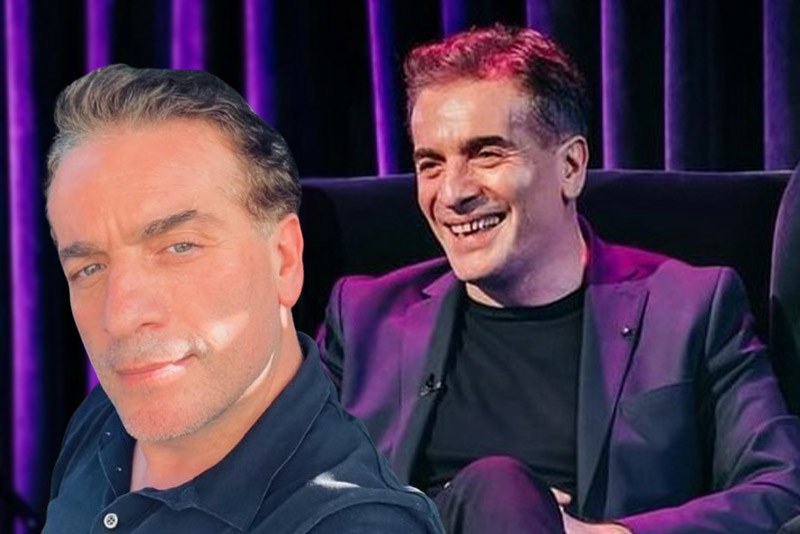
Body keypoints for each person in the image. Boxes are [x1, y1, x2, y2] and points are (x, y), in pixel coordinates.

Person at [316, 25, 800, 534]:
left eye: (486, 154)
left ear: (571, 166)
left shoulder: (688, 310)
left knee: (500, 488)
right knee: (495, 488)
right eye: (430, 164)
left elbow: (783, 488)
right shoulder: (364, 317)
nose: (452, 193)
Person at [42, 65, 444, 534]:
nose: (121, 316)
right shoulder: (104, 419)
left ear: (284, 261)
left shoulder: (356, 525)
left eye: (179, 247)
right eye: (89, 268)